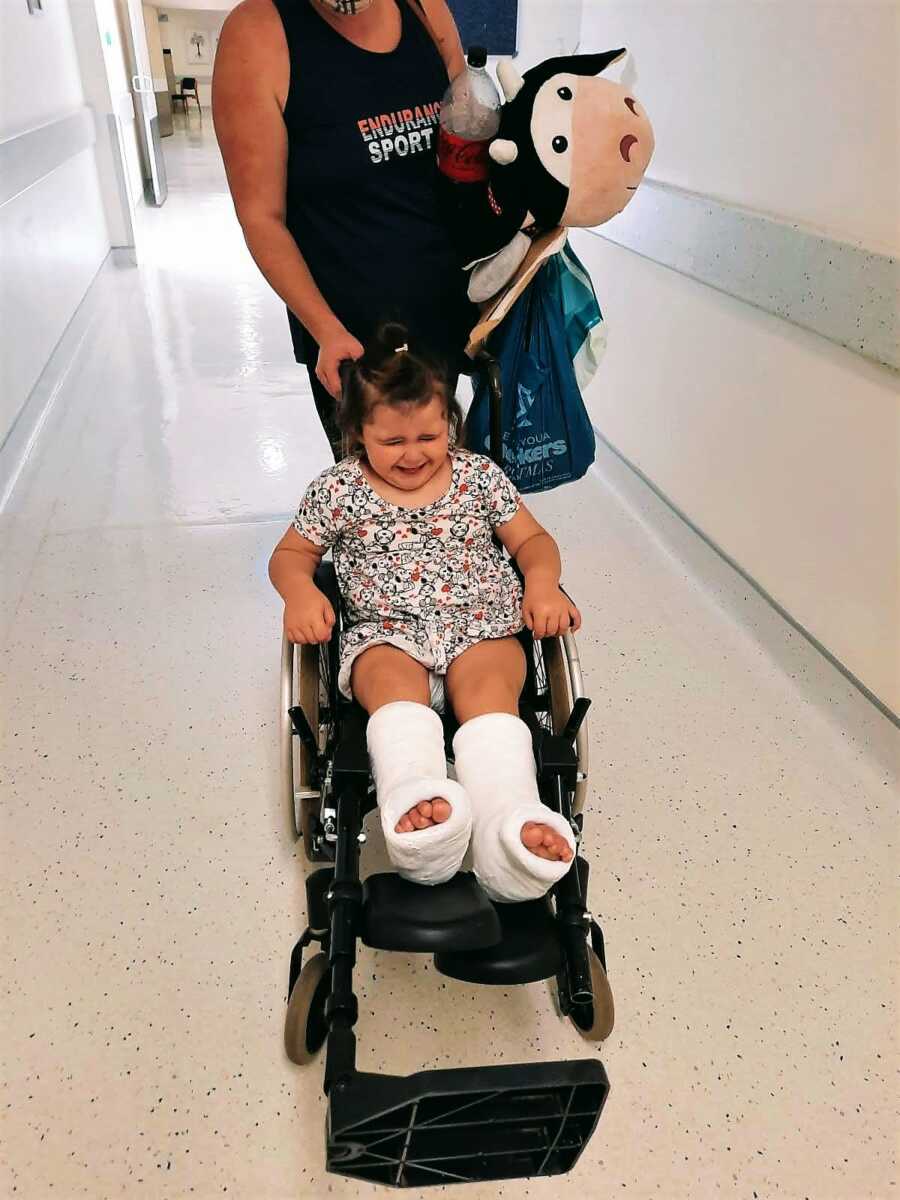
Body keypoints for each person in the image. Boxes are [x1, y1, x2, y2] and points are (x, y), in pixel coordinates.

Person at [269, 323, 580, 902]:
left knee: (489, 698)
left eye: (429, 437)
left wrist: (542, 584)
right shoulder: (337, 490)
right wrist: (300, 592)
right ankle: (420, 804)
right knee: (392, 693)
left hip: (479, 626)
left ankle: (507, 824)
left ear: (450, 426)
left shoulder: (479, 478)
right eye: (391, 443)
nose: (412, 455)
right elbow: (291, 554)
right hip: (386, 635)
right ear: (358, 434)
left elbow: (533, 542)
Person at [213, 0, 478, 459]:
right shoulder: (257, 34)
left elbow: (467, 142)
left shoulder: (425, 10)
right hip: (353, 337)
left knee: (442, 480)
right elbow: (261, 216)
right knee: (375, 499)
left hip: (446, 314)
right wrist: (325, 329)